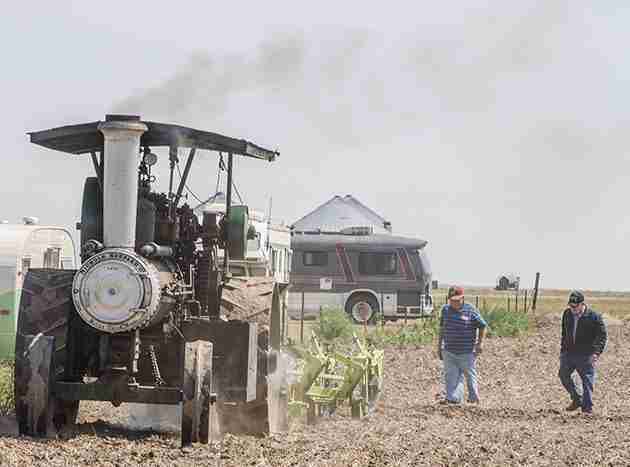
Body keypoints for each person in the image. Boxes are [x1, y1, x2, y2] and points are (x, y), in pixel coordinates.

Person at [558, 290, 607, 415]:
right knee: (563, 375)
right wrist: (563, 350)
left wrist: (596, 353)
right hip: (569, 353)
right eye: (570, 305)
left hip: (586, 354)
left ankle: (587, 410)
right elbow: (564, 333)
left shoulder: (594, 317)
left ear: (582, 304)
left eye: (575, 306)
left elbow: (602, 336)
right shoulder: (567, 314)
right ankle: (577, 398)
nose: (572, 308)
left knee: (587, 381)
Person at [437, 286, 487, 404]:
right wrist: (439, 346)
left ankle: (474, 400)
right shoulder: (445, 310)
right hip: (449, 351)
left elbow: (483, 326)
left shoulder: (471, 310)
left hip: (467, 352)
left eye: (456, 300)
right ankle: (453, 400)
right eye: (451, 300)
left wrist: (479, 343)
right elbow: (442, 328)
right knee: (451, 376)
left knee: (470, 376)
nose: (454, 303)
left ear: (463, 298)